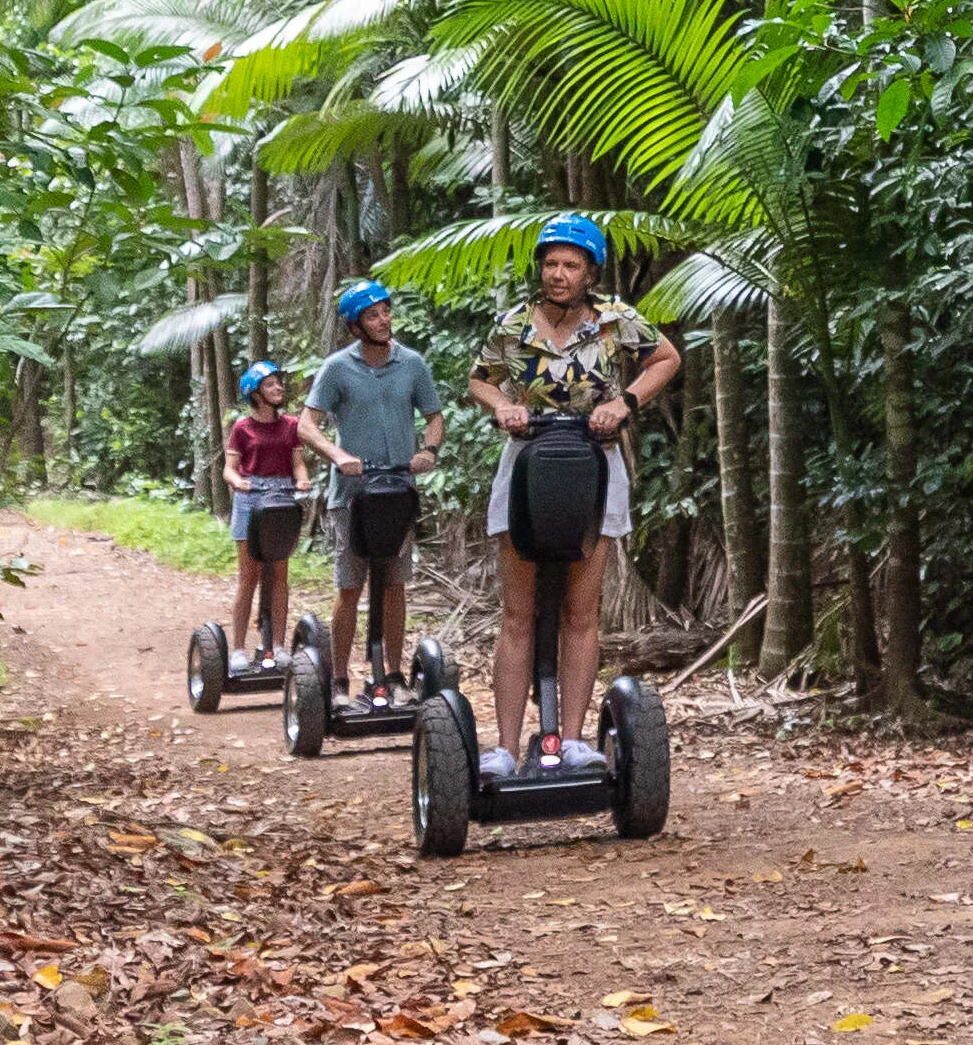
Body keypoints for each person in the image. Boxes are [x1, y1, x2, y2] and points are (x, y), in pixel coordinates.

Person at [463, 213, 680, 759]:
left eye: (571, 265)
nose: (558, 273)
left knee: (582, 612)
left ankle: (577, 743)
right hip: (527, 463)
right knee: (518, 613)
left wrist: (622, 402)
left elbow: (667, 358)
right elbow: (478, 379)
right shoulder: (514, 324)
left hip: (595, 462)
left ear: (590, 272)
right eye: (551, 263)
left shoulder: (616, 319)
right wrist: (505, 406)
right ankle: (506, 749)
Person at [306, 279, 449, 695]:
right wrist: (338, 456)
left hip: (398, 491)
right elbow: (306, 424)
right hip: (351, 495)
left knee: (394, 582)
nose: (384, 320)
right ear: (355, 326)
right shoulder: (337, 368)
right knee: (350, 585)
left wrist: (429, 451)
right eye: (373, 314)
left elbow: (434, 416)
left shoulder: (412, 363)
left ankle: (392, 673)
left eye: (386, 310)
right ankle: (338, 678)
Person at [223, 361, 323, 662]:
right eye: (270, 384)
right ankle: (238, 648)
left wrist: (302, 478)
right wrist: (239, 481)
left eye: (278, 383)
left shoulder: (291, 425)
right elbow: (229, 469)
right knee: (249, 577)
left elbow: (297, 463)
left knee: (279, 575)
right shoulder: (242, 428)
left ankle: (277, 645)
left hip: (281, 497)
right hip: (251, 499)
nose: (278, 387)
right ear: (254, 393)